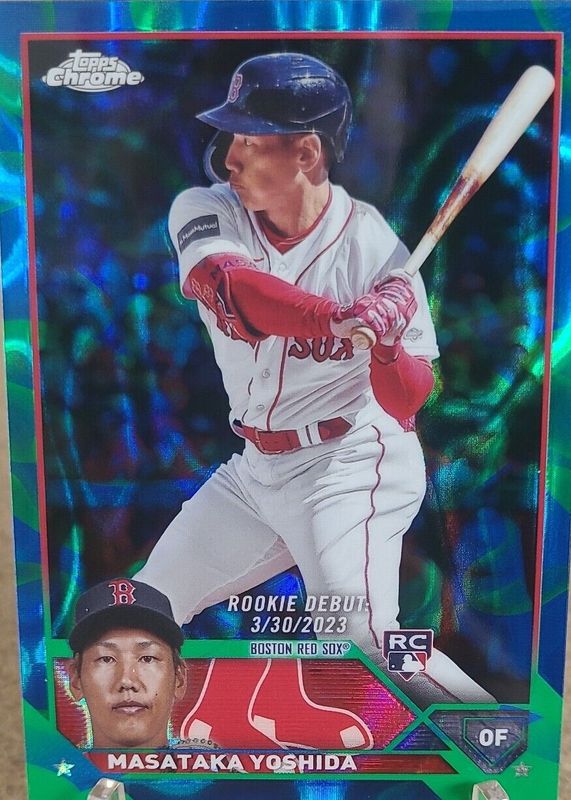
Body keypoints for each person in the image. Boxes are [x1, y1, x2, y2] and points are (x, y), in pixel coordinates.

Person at [135, 52, 495, 721]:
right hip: (256, 469)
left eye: (250, 139)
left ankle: (498, 751)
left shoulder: (378, 253)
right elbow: (232, 289)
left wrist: (386, 345)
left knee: (365, 638)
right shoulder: (205, 207)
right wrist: (338, 318)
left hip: (348, 463)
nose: (228, 156)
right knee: (142, 611)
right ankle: (113, 762)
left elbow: (409, 400)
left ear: (305, 152)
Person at [68, 578, 187, 749]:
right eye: (106, 659)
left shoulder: (215, 767)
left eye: (147, 658)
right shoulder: (44, 767)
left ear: (179, 679)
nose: (127, 681)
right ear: (76, 680)